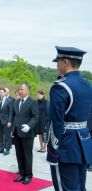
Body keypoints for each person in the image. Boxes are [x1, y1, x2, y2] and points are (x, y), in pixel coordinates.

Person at [47, 46, 92, 190]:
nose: (57, 65)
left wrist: (53, 149)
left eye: (58, 61)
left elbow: (56, 122)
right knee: (80, 186)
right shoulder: (87, 85)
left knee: (65, 187)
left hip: (66, 146)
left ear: (65, 62)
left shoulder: (61, 87)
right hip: (83, 143)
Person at [10, 83, 39, 184]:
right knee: (19, 154)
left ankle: (28, 175)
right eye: (19, 89)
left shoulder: (32, 102)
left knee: (27, 155)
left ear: (27, 90)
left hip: (27, 133)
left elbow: (35, 117)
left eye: (22, 89)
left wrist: (29, 125)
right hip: (17, 133)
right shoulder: (16, 102)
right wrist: (12, 130)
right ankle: (21, 174)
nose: (20, 91)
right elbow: (14, 116)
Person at [0, 88, 13, 155]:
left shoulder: (9, 100)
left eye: (2, 92)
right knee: (0, 135)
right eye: (0, 92)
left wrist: (9, 121)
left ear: (5, 93)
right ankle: (1, 148)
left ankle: (7, 149)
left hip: (6, 121)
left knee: (7, 136)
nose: (1, 94)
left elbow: (11, 112)